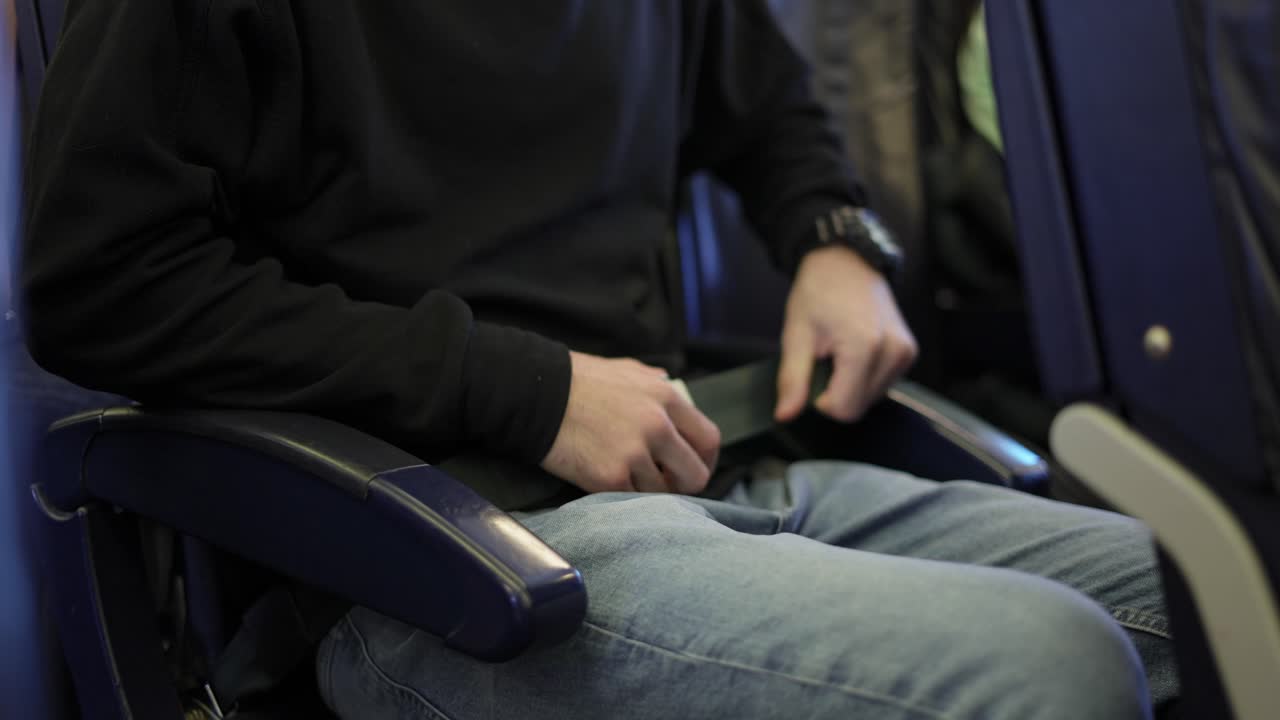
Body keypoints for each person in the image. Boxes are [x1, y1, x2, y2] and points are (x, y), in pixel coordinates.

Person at [21, 1, 1176, 717]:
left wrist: (834, 241)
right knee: (1054, 664)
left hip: (707, 477)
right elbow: (101, 283)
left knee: (1207, 597)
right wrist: (526, 392)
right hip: (442, 566)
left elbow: (768, 105)